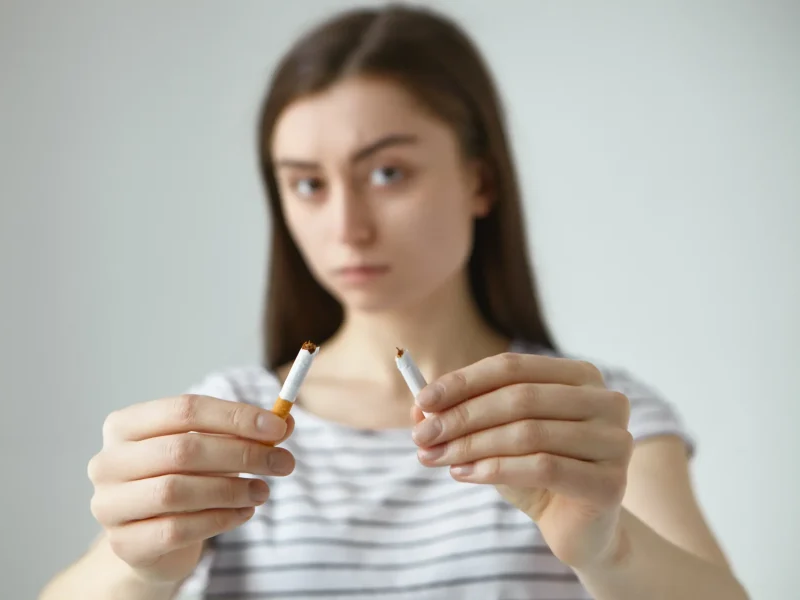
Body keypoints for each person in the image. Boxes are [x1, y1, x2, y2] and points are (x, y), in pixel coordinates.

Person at [40, 4, 748, 599]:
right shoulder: (227, 431)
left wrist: (611, 550)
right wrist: (136, 566)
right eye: (308, 184)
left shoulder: (590, 418)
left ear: (480, 181)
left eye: (387, 172)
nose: (347, 227)